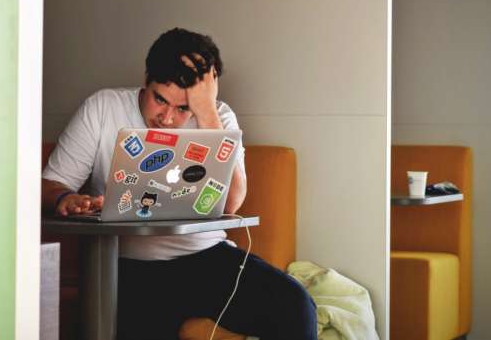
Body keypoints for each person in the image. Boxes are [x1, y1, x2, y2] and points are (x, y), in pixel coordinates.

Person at [41, 28, 317, 340]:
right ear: (146, 79)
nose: (167, 118)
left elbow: (232, 203)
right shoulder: (103, 108)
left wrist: (207, 113)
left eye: (183, 108)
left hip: (206, 258)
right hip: (127, 265)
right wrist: (65, 198)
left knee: (296, 306)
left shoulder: (218, 117)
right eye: (159, 99)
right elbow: (49, 185)